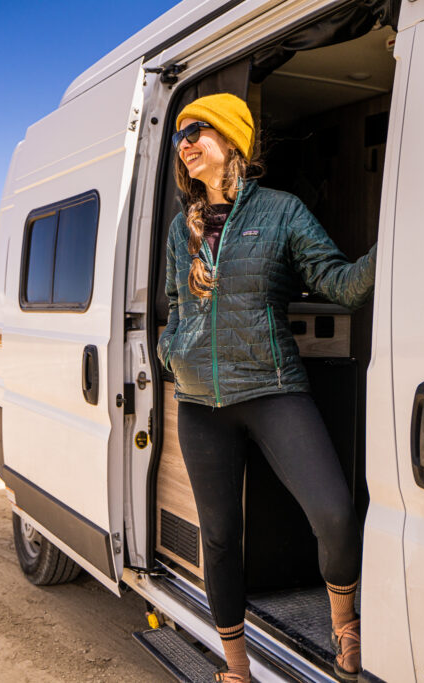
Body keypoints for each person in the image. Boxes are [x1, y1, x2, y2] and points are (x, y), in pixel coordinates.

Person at [156, 92, 376, 683]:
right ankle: (236, 670)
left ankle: (345, 632)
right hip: (201, 405)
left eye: (196, 129)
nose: (185, 142)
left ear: (231, 140)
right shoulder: (184, 228)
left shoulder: (281, 211)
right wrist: (172, 352)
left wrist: (396, 243)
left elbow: (341, 283)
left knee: (333, 512)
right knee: (222, 538)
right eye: (180, 135)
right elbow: (176, 307)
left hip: (274, 387)